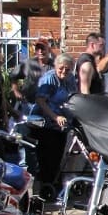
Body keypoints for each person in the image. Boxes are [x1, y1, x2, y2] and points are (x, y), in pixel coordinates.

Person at [33, 53, 78, 196]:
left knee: (58, 156)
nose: (64, 71)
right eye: (61, 68)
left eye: (68, 69)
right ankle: (45, 189)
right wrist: (55, 116)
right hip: (46, 124)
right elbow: (40, 101)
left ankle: (54, 186)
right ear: (55, 67)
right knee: (48, 158)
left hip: (62, 125)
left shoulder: (70, 78)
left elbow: (74, 97)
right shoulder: (49, 78)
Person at [10, 39, 54, 115]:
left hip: (49, 104)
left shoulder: (54, 65)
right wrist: (16, 90)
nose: (40, 51)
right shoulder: (29, 63)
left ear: (48, 50)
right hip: (29, 103)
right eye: (38, 49)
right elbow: (13, 76)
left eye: (43, 49)